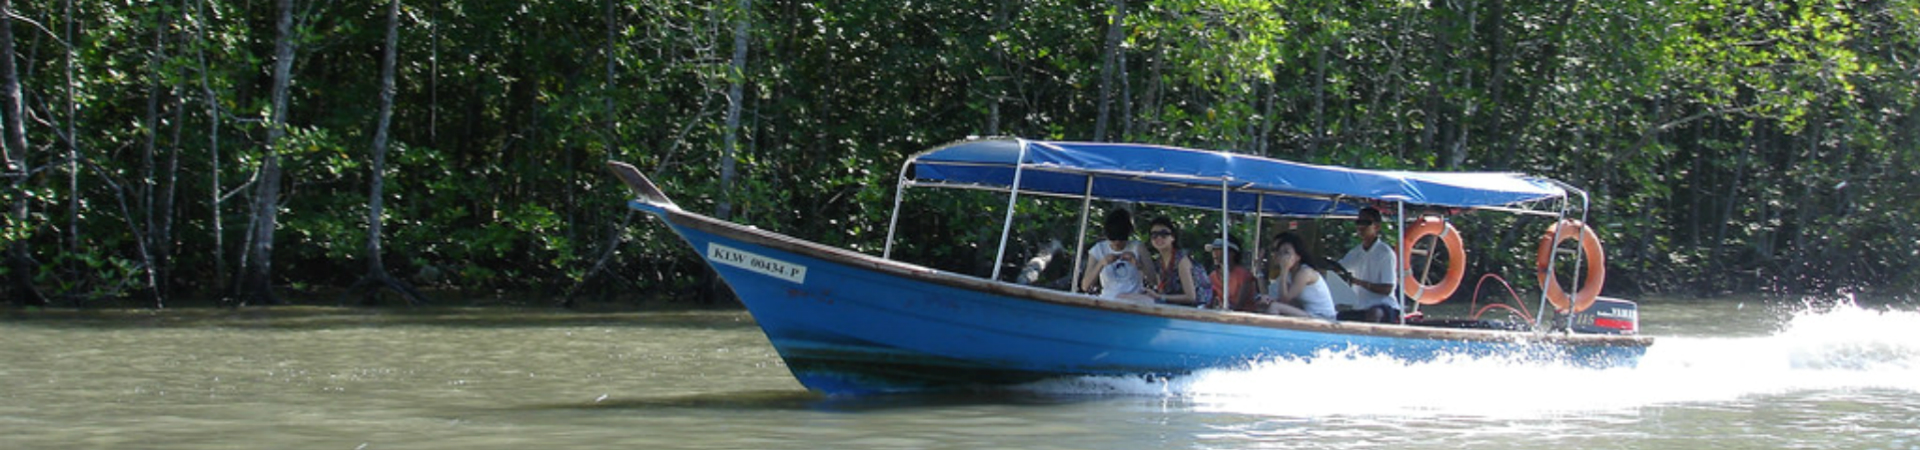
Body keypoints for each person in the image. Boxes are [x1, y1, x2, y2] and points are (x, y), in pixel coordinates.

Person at [1331, 207, 1402, 323]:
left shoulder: (1385, 253)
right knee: (1335, 317)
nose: (1361, 227)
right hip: (1361, 307)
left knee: (1375, 313)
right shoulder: (1355, 252)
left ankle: (1372, 341)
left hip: (1384, 306)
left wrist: (1359, 282)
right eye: (1358, 222)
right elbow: (1339, 268)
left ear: (1377, 227)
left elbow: (1387, 289)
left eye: (1366, 223)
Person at [1079, 208, 1156, 302]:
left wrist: (1138, 265)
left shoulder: (1138, 247)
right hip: (1108, 299)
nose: (1117, 243)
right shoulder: (1098, 249)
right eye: (1113, 239)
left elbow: (1153, 280)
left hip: (1134, 299)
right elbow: (1085, 286)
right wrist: (1101, 264)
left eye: (1121, 239)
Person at [1257, 232, 1337, 320]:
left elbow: (1285, 300)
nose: (1281, 256)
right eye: (1278, 252)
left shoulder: (1305, 272)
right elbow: (1271, 295)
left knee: (1274, 307)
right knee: (1263, 308)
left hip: (1323, 318)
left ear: (1298, 257)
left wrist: (1284, 270)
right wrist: (1259, 269)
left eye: (1286, 252)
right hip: (1308, 314)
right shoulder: (1290, 273)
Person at [1142, 217, 1211, 307]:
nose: (1158, 238)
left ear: (1173, 237)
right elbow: (1161, 291)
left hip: (1195, 310)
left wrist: (1160, 297)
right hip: (1172, 307)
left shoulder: (1182, 260)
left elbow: (1191, 297)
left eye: (1164, 234)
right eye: (1154, 235)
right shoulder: (1159, 262)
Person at [1207, 236, 1258, 312]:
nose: (1214, 253)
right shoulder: (1213, 276)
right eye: (1213, 250)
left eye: (1219, 250)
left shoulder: (1244, 275)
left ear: (1232, 253)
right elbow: (1209, 302)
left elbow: (1239, 306)